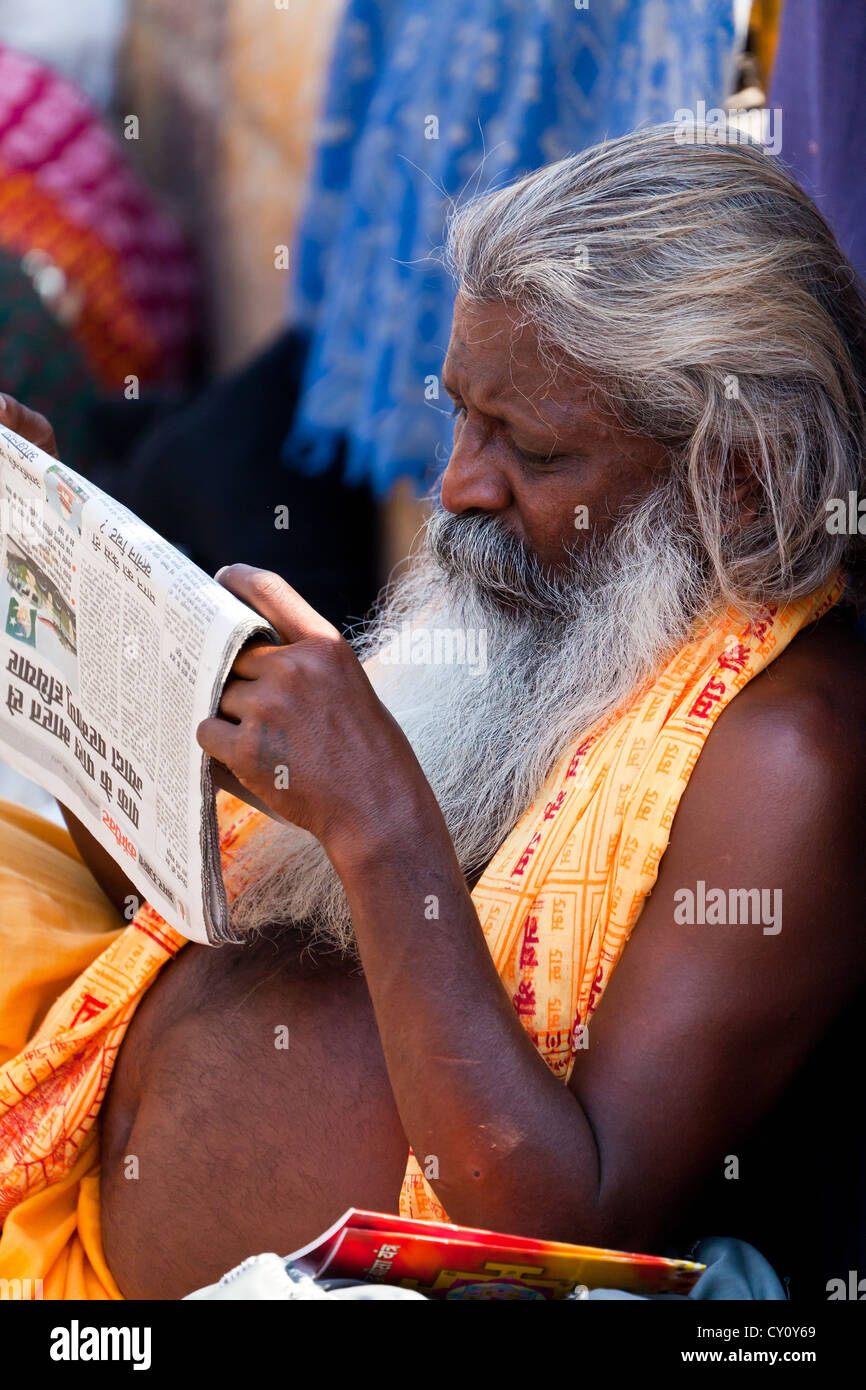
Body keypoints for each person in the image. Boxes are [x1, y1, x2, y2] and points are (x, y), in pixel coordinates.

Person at [2, 124, 866, 1302]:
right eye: (461, 414)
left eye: (529, 446)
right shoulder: (540, 622)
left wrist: (380, 821)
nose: (457, 484)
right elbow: (164, 906)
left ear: (735, 475)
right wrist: (64, 591)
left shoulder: (783, 753)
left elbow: (574, 1221)